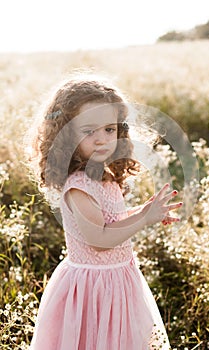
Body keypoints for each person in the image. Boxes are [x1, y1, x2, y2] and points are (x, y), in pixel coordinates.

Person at [27, 73, 182, 350]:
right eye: (89, 132)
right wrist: (144, 218)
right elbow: (99, 239)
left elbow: (110, 220)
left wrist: (144, 211)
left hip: (117, 280)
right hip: (92, 290)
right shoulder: (78, 186)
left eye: (109, 130)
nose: (101, 140)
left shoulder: (104, 176)